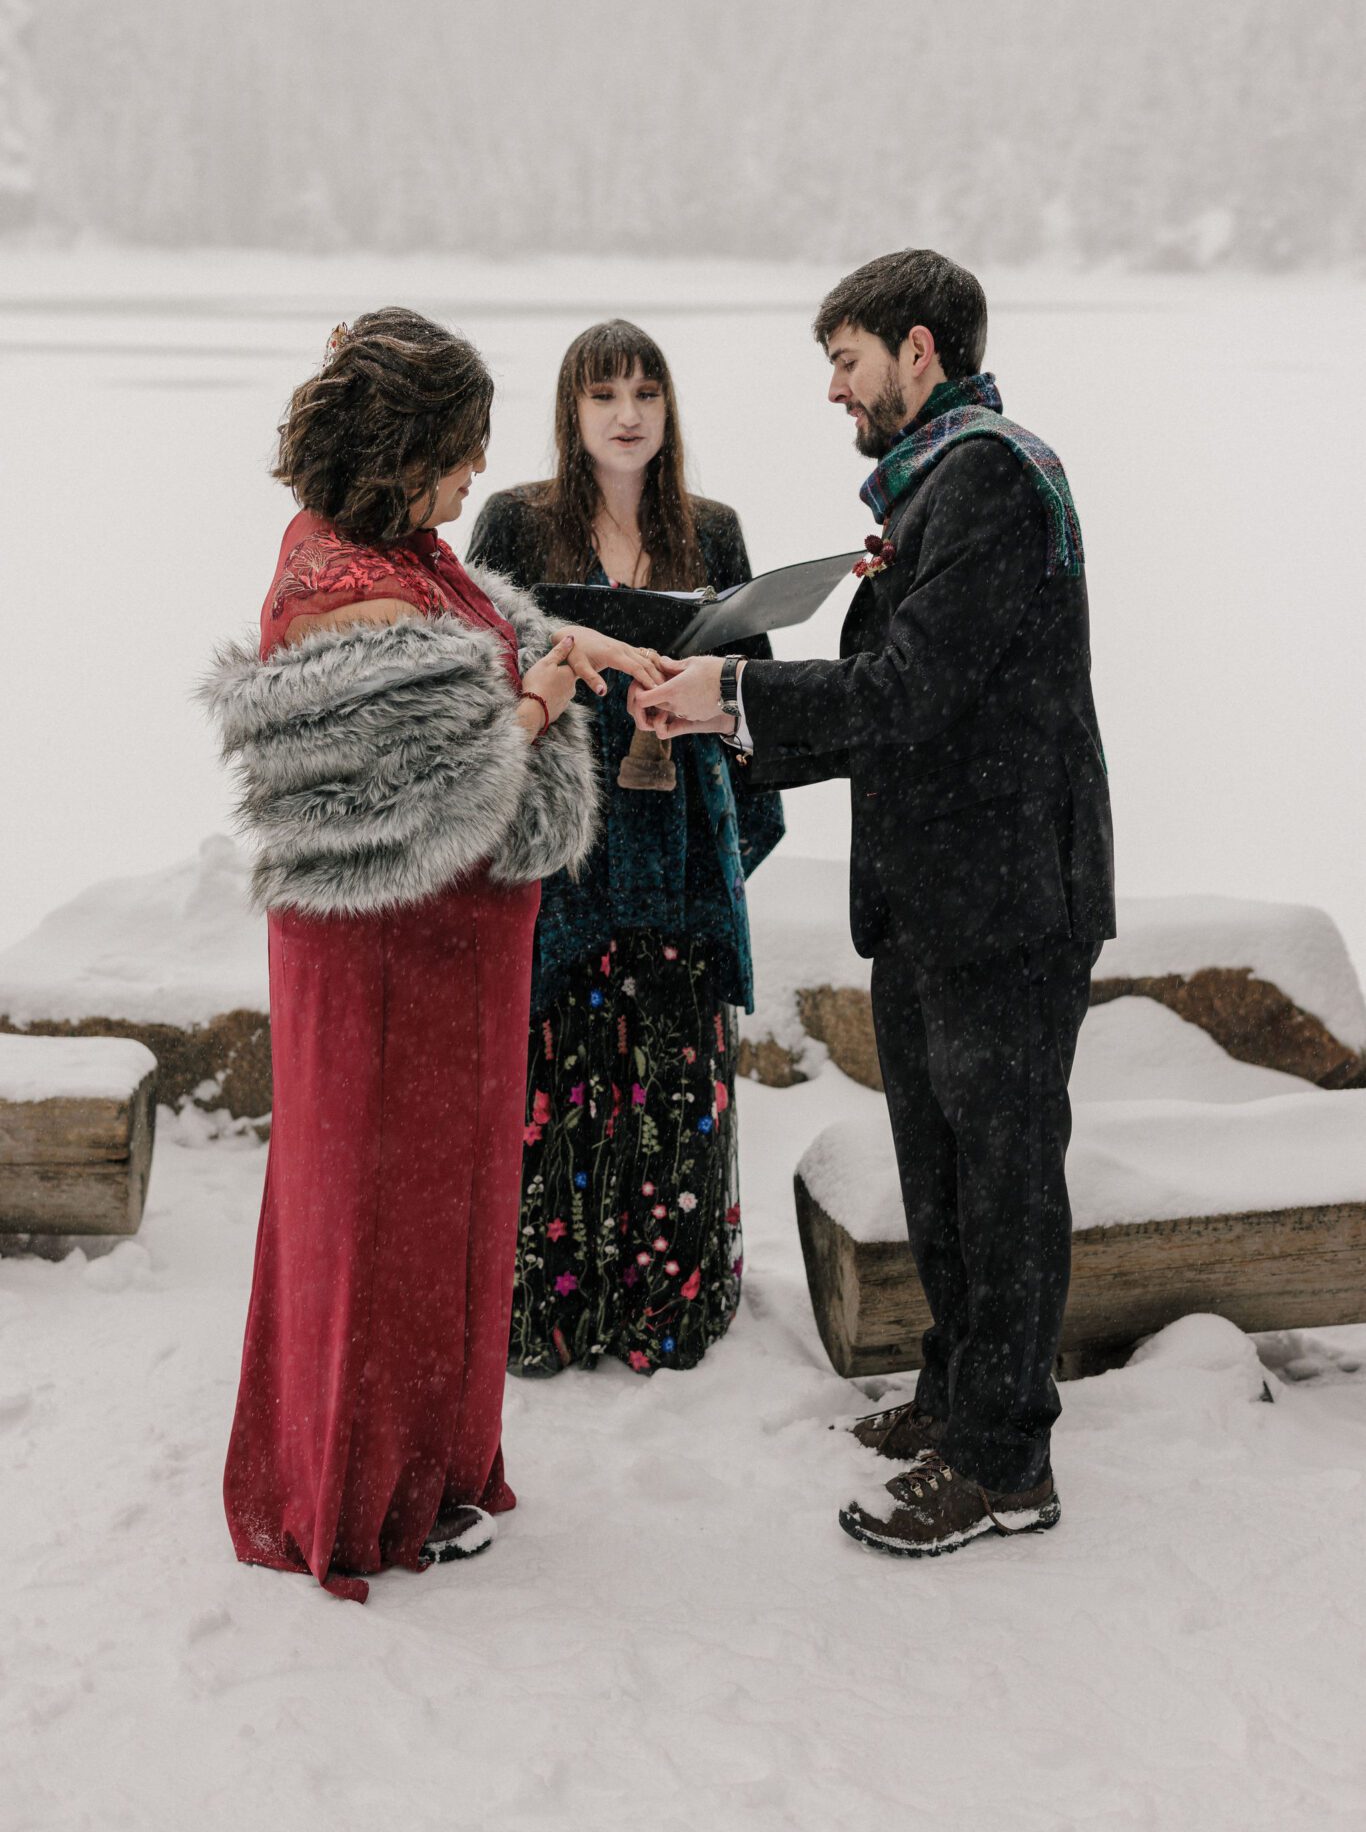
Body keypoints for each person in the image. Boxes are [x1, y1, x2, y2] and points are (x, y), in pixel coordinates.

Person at [630, 251, 1115, 1555]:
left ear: (917, 347)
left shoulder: (994, 477)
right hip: (935, 895)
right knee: (944, 1173)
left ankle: (1005, 1463)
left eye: (843, 362)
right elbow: (908, 678)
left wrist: (723, 699)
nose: (834, 392)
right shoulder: (934, 487)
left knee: (1003, 1184)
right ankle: (958, 1397)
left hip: (1008, 900)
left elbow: (907, 693)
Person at [201, 309, 661, 1601]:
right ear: (404, 450)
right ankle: (359, 1498)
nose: (474, 476)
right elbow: (442, 784)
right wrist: (539, 700)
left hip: (449, 961)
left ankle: (432, 1466)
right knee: (378, 1229)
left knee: (445, 1221)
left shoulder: (391, 551)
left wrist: (571, 651)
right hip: (385, 972)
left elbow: (478, 647)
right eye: (461, 451)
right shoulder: (346, 597)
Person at [468, 319, 784, 1376]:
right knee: (555, 1067)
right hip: (570, 839)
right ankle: (554, 1309)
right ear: (570, 409)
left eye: (646, 390)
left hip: (676, 840)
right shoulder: (515, 523)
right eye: (605, 393)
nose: (628, 412)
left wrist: (702, 711)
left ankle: (666, 1303)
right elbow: (476, 664)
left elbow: (756, 699)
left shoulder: (714, 529)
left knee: (672, 1072)